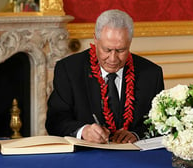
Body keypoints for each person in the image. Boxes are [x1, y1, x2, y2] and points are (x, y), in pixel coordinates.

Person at [45, 9, 164, 144]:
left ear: (130, 42)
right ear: (95, 40)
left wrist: (137, 135)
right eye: (107, 50)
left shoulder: (151, 74)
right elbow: (55, 121)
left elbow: (161, 124)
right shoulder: (69, 70)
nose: (113, 59)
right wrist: (83, 131)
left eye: (121, 50)